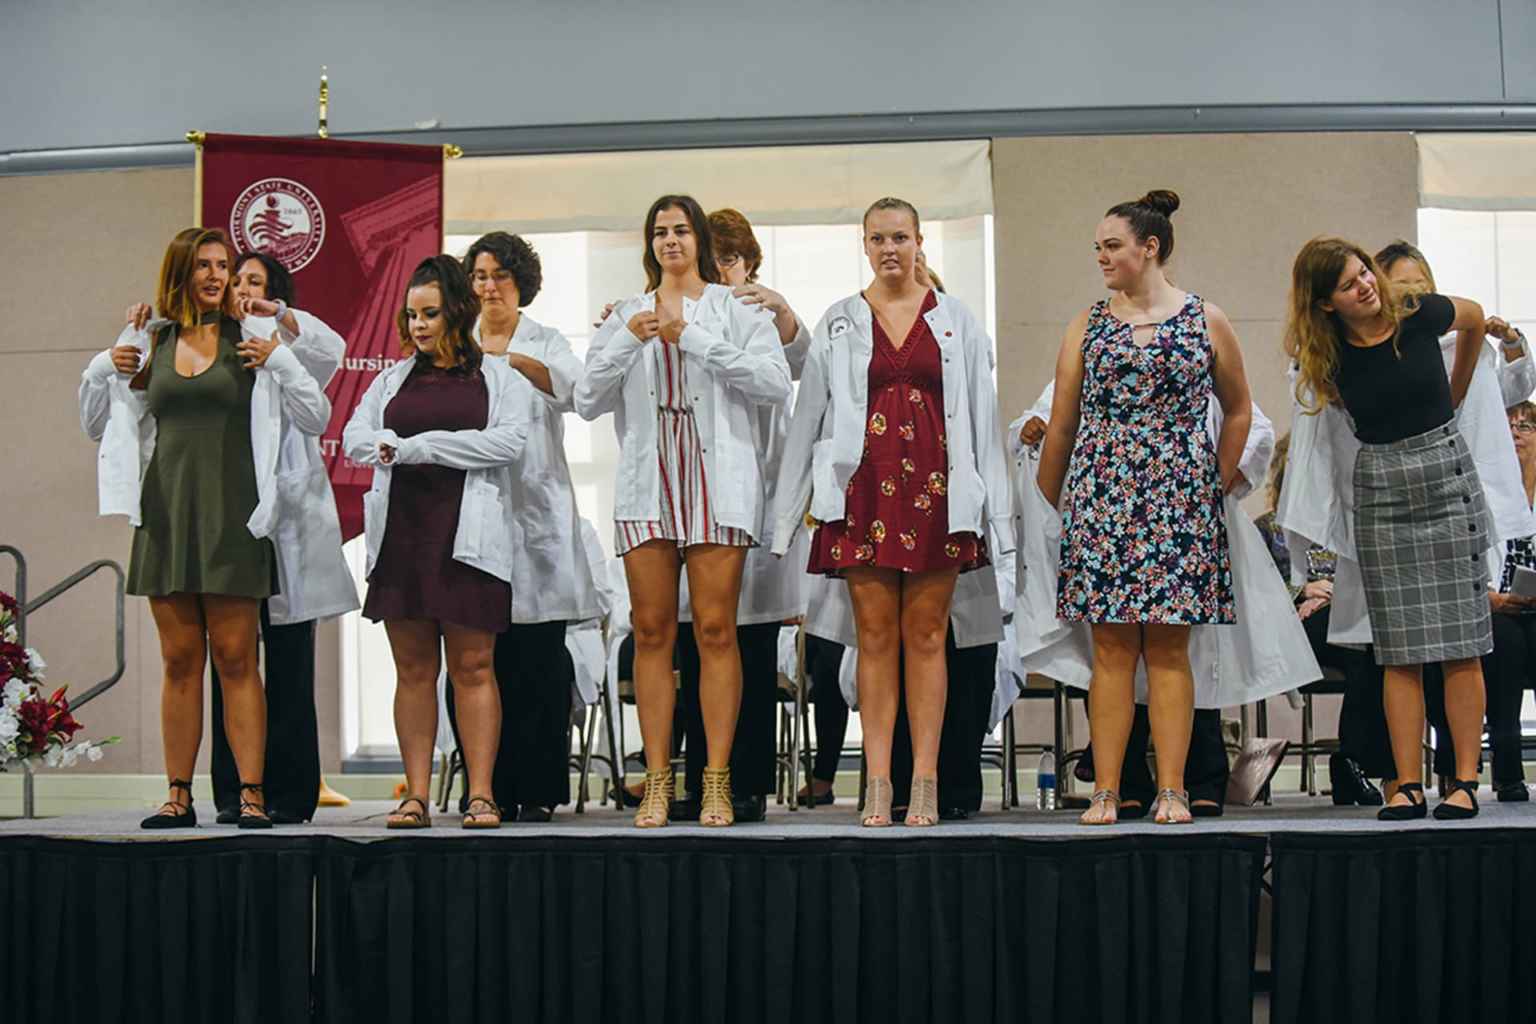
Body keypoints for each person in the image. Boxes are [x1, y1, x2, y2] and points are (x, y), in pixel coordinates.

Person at [773, 196, 1012, 827]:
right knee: (874, 639)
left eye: (900, 237)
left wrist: (1000, 517)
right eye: (878, 238)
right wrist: (785, 515)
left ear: (919, 241)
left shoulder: (957, 319)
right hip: (863, 491)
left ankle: (925, 781)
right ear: (864, 243)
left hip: (937, 490)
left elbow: (983, 426)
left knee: (929, 638)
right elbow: (808, 422)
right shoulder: (840, 321)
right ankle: (878, 780)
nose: (889, 249)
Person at [80, 227, 330, 829]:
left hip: (232, 517)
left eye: (223, 265)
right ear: (182, 274)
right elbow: (97, 427)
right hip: (165, 515)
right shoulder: (151, 341)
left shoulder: (252, 337)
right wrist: (102, 367)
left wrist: (282, 360)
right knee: (178, 662)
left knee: (237, 659)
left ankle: (250, 793)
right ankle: (177, 795)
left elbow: (316, 414)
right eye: (205, 266)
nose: (218, 276)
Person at [1035, 190, 1254, 825]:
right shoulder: (1088, 323)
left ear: (1149, 247)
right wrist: (1050, 506)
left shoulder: (1205, 318)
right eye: (1097, 248)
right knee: (1109, 650)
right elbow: (1062, 422)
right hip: (1102, 496)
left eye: (1112, 246)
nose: (1100, 257)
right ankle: (1106, 788)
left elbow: (1238, 406)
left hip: (1179, 498)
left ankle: (1173, 788)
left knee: (1167, 649)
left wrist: (1211, 480)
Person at [574, 195, 791, 827]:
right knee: (650, 631)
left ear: (698, 238)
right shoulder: (626, 313)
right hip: (650, 481)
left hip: (715, 479)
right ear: (650, 244)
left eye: (680, 230)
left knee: (717, 630)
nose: (671, 241)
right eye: (660, 232)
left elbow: (775, 384)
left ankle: (716, 779)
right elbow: (586, 399)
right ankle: (659, 780)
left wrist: (689, 337)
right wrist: (627, 341)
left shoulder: (734, 309)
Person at [1279, 236, 1492, 820]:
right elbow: (1338, 413)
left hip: (1446, 474)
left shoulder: (1417, 313)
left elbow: (1473, 320)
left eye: (1364, 273)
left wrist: (1457, 390)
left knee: (1461, 641)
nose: (1366, 285)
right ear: (1326, 304)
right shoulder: (1327, 357)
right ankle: (1405, 782)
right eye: (1349, 285)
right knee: (1397, 647)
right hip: (1380, 486)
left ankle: (1465, 780)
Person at [1014, 371, 1275, 816]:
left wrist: (1217, 480)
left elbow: (1252, 424)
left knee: (1181, 653)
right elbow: (1050, 416)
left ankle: (1199, 777)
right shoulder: (1097, 344)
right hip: (1108, 516)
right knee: (1109, 656)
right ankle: (1122, 781)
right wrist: (1032, 428)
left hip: (1176, 516)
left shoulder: (1191, 350)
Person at [343, 255, 534, 829]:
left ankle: (480, 794)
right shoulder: (391, 379)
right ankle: (416, 795)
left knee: (474, 666)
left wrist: (417, 446)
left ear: (457, 310)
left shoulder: (498, 378)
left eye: (430, 313)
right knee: (413, 669)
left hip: (467, 539)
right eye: (411, 315)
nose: (419, 325)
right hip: (404, 534)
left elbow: (505, 444)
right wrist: (388, 444)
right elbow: (355, 438)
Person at [174, 251, 359, 825]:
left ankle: (291, 790)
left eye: (257, 282)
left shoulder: (280, 335)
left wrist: (276, 325)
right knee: (229, 662)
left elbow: (333, 355)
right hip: (229, 521)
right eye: (238, 279)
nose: (242, 288)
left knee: (287, 660)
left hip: (285, 523)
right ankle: (234, 790)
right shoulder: (211, 341)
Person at [440, 232, 600, 823]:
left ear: (520, 283)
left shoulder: (546, 341)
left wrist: (509, 363)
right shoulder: (456, 346)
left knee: (539, 661)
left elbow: (580, 393)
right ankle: (486, 786)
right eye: (479, 277)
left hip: (536, 515)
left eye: (500, 276)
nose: (488, 288)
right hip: (474, 518)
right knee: (481, 659)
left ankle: (538, 788)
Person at [673, 208, 811, 822]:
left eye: (731, 259)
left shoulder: (760, 314)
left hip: (753, 498)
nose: (722, 270)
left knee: (748, 645)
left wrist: (783, 315)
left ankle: (746, 781)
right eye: (714, 259)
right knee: (697, 643)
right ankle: (701, 778)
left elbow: (797, 364)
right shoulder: (689, 312)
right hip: (691, 499)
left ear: (750, 261)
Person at [1254, 434, 1392, 804]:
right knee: (1359, 644)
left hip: (1345, 617)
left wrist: (1338, 591)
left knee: (1371, 652)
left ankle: (1357, 762)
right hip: (1294, 626)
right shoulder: (1266, 528)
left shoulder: (1343, 523)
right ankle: (1358, 763)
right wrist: (1301, 592)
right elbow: (1253, 591)